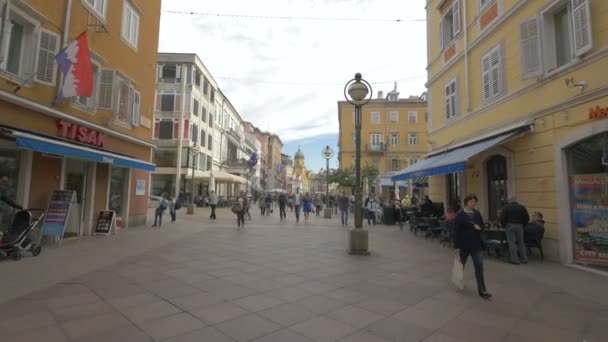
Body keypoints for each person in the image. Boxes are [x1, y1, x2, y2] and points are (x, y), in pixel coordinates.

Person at [454, 194, 492, 300]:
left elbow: (482, 226)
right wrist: (456, 246)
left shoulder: (477, 213)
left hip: (476, 245)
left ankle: (482, 290)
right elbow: (456, 231)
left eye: (475, 201)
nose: (473, 203)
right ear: (466, 202)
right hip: (464, 245)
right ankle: (459, 283)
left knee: (479, 267)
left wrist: (480, 227)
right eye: (471, 201)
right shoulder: (460, 215)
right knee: (461, 266)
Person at [500, 196, 530, 265]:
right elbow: (527, 218)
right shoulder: (522, 207)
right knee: (521, 242)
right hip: (520, 226)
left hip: (510, 225)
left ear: (509, 200)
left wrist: (503, 225)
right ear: (516, 200)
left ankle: (515, 260)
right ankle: (524, 259)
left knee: (511, 242)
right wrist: (523, 224)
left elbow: (502, 218)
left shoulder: (506, 207)